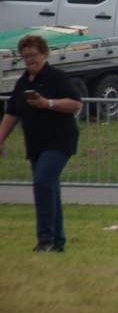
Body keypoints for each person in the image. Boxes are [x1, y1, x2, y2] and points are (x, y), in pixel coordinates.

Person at [0, 34, 82, 253]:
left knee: (43, 181)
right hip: (36, 143)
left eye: (33, 55)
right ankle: (57, 242)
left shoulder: (56, 77)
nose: (29, 60)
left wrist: (47, 103)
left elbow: (75, 104)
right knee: (49, 188)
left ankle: (45, 240)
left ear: (44, 54)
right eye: (25, 56)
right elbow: (12, 113)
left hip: (59, 141)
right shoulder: (23, 82)